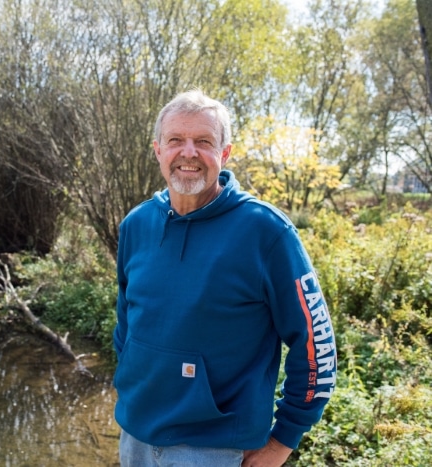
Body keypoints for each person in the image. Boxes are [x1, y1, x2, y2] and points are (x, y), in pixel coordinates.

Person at [113, 89, 336, 467]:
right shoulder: (136, 225)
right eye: (175, 141)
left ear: (224, 153)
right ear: (158, 151)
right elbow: (126, 326)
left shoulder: (265, 232)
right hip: (134, 438)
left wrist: (281, 443)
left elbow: (317, 347)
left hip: (216, 449)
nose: (188, 153)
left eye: (203, 141)